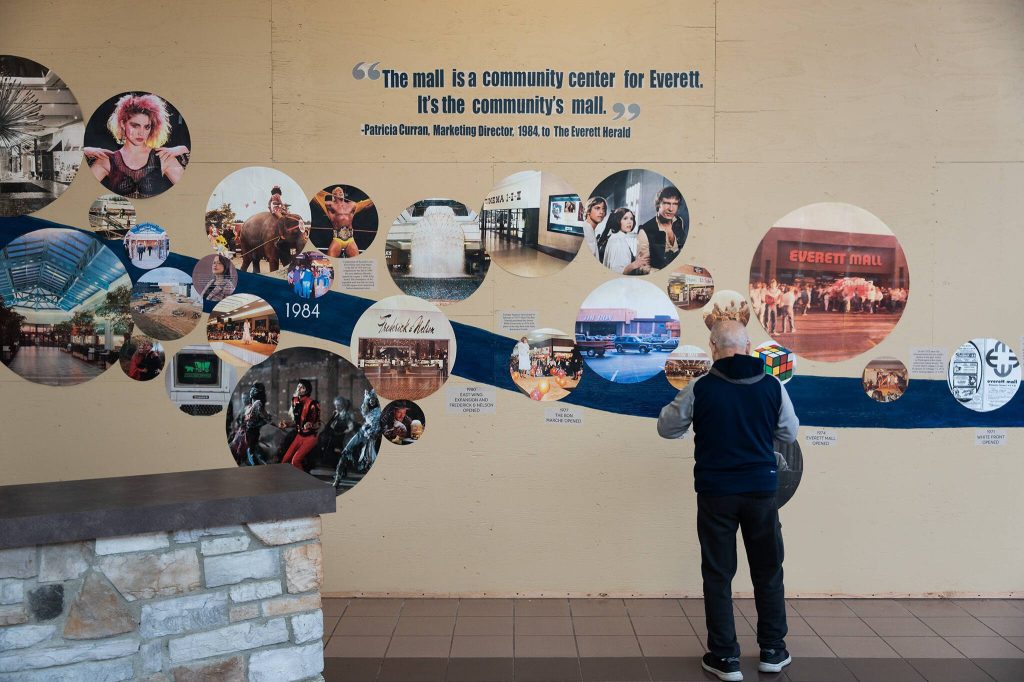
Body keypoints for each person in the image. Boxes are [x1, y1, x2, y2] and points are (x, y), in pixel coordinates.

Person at [657, 320, 799, 681]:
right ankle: (772, 651)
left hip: (716, 491)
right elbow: (789, 432)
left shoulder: (700, 387)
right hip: (761, 491)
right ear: (749, 346)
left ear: (713, 347)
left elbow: (667, 428)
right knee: (768, 570)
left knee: (718, 574)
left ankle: (725, 658)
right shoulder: (773, 386)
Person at [84, 93, 189, 199]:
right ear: (122, 124)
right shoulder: (106, 160)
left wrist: (184, 150)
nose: (141, 133)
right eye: (135, 126)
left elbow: (188, 191)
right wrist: (84, 151)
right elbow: (84, 193)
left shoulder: (163, 158)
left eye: (147, 127)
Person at [312, 186, 374, 258]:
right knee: (331, 260)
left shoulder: (351, 205)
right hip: (337, 239)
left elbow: (366, 205)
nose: (341, 192)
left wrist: (374, 200)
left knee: (357, 260)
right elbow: (317, 201)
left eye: (341, 191)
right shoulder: (330, 205)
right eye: (338, 191)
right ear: (334, 195)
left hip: (350, 239)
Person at [637, 186, 687, 271]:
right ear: (658, 204)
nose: (671, 209)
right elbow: (642, 267)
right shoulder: (644, 231)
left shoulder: (679, 221)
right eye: (666, 203)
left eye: (675, 204)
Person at [280, 380, 322, 471]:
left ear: (307, 391)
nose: (299, 388)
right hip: (300, 435)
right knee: (285, 460)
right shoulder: (295, 401)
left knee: (295, 461)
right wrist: (287, 424)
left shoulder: (313, 404)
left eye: (302, 387)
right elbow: (297, 423)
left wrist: (311, 424)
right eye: (298, 386)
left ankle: (303, 481)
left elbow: (318, 424)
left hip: (310, 438)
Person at [598, 208, 650, 275]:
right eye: (625, 218)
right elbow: (616, 271)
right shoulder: (617, 240)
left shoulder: (618, 237)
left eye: (631, 219)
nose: (629, 222)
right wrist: (634, 264)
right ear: (618, 220)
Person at [243, 383, 272, 466]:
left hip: (254, 430)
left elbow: (264, 415)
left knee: (251, 450)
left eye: (255, 390)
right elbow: (246, 417)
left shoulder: (258, 403)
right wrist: (247, 417)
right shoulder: (250, 405)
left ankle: (257, 464)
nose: (252, 392)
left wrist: (266, 417)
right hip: (249, 429)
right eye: (252, 389)